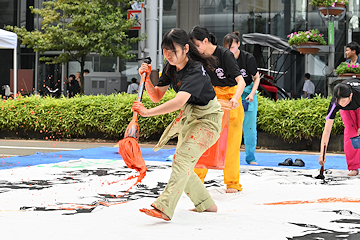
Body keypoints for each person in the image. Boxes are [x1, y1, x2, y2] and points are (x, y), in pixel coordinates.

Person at [133, 28, 223, 221]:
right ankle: (207, 204)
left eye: (173, 51)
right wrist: (147, 79)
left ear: (186, 49)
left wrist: (147, 113)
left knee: (182, 158)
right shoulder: (170, 67)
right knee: (182, 162)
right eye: (165, 51)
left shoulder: (195, 70)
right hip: (190, 119)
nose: (168, 55)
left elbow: (178, 101)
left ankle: (164, 207)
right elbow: (157, 96)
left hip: (208, 121)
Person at [189, 25, 246, 193]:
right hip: (210, 100)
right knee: (203, 141)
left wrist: (235, 99)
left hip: (230, 100)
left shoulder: (224, 55)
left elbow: (241, 81)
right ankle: (196, 180)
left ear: (205, 41)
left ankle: (232, 183)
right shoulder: (197, 58)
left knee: (232, 144)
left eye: (196, 46)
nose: (195, 50)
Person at [223, 31, 260, 165]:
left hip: (247, 94)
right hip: (231, 94)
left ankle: (250, 157)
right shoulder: (224, 58)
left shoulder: (247, 58)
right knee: (230, 128)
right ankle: (228, 157)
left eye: (232, 47)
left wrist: (251, 94)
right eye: (227, 48)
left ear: (238, 44)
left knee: (249, 129)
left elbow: (257, 77)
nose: (230, 51)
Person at [319, 79, 360, 176]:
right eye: (339, 102)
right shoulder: (335, 103)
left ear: (350, 96)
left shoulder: (358, 93)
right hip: (347, 112)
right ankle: (353, 167)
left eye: (344, 101)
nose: (342, 104)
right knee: (351, 134)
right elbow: (327, 130)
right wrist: (322, 154)